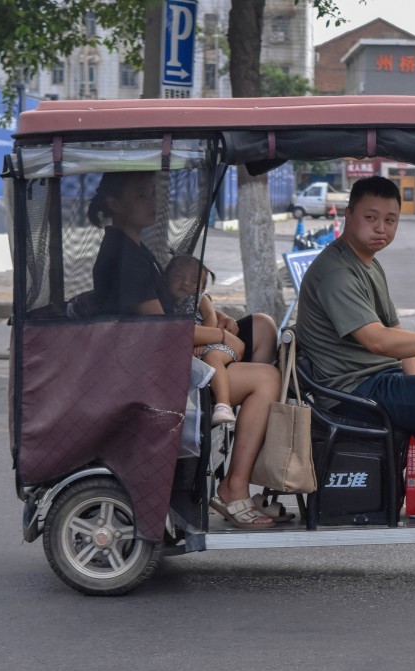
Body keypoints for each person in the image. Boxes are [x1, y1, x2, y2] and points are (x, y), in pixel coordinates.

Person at [88, 171, 283, 529]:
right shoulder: (124, 256)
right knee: (267, 379)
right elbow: (162, 329)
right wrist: (218, 335)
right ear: (114, 203)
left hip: (161, 356)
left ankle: (241, 443)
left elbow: (175, 306)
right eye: (141, 194)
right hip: (151, 371)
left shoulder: (137, 248)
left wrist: (215, 317)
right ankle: (234, 486)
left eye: (153, 193)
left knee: (262, 325)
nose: (153, 201)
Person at [294, 175, 415, 525]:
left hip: (377, 377)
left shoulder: (367, 262)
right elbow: (378, 341)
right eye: (371, 217)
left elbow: (394, 330)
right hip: (351, 391)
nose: (381, 228)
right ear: (348, 215)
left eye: (390, 220)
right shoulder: (337, 272)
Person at [163, 255, 243, 427]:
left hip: (214, 345)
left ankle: (223, 405)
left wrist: (202, 342)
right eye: (178, 277)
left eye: (193, 281)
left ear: (202, 289)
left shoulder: (200, 299)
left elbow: (210, 317)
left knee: (213, 358)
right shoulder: (166, 304)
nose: (185, 283)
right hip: (197, 349)